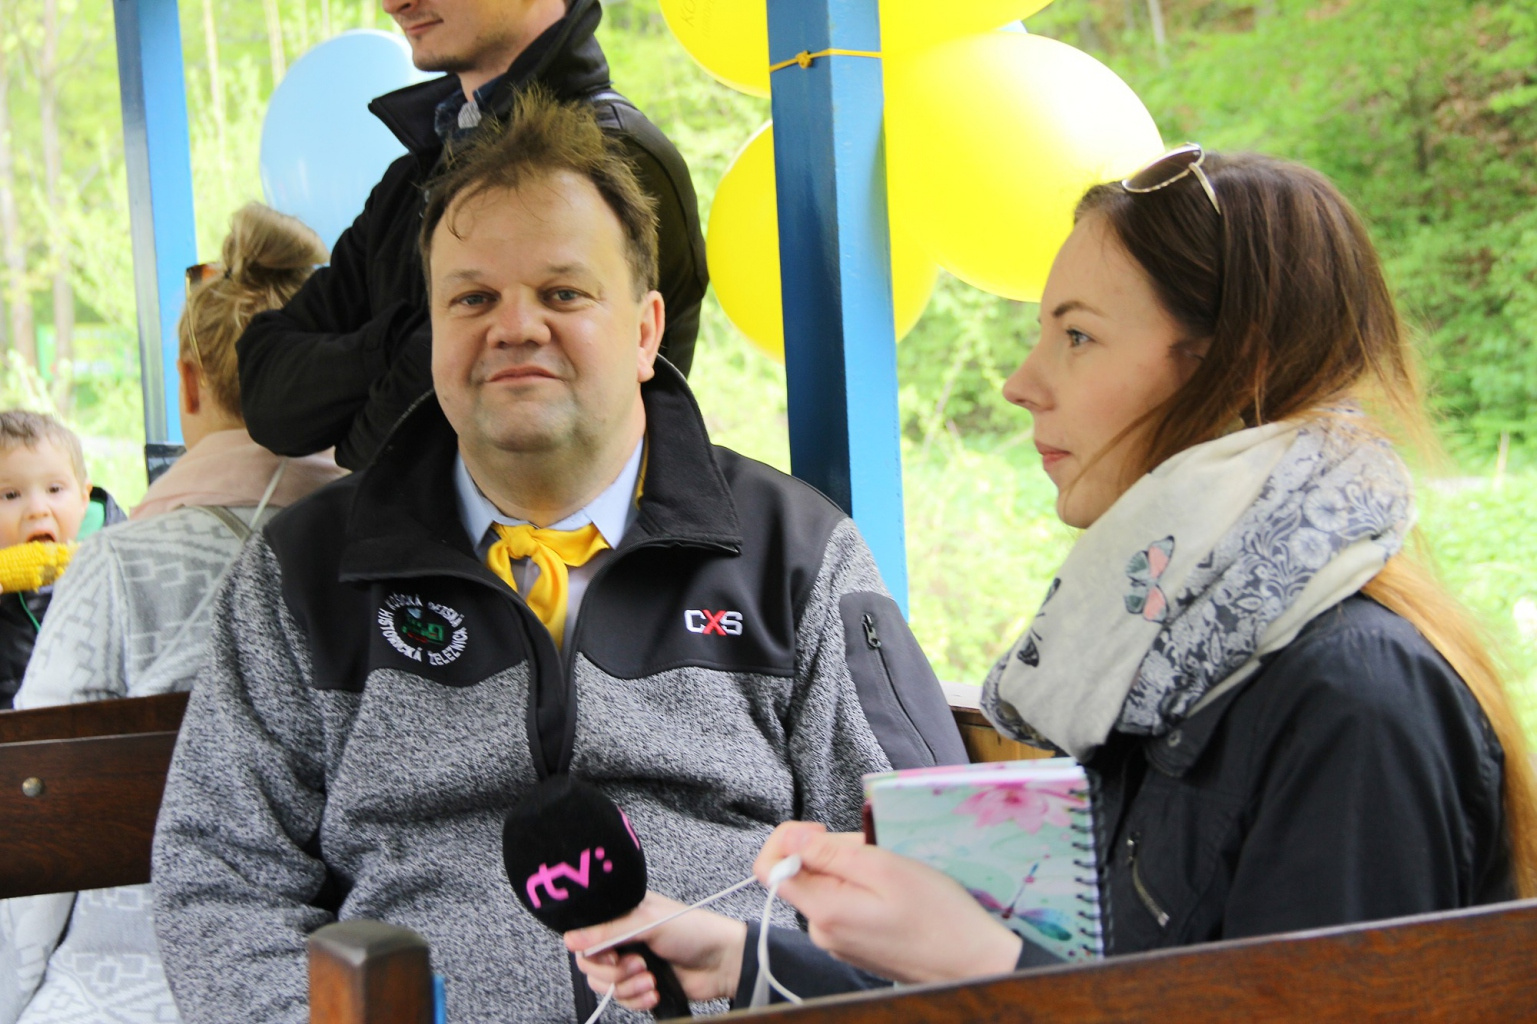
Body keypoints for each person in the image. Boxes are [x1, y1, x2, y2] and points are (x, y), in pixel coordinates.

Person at [566, 147, 1537, 1008]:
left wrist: (977, 959)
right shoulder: (1173, 661)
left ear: (1233, 367)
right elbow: (1135, 980)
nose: (1020, 383)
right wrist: (745, 959)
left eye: (1076, 335)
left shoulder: (1353, 697)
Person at [151, 89, 964, 1024]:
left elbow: (920, 862)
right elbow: (218, 880)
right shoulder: (303, 573)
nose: (515, 327)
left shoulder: (795, 553)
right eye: (473, 299)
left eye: (563, 293)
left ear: (646, 331)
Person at [0, 204, 346, 1024]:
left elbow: (34, 830)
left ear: (189, 383)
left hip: (128, 989)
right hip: (357, 980)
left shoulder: (116, 571)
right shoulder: (398, 557)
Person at [237, 0, 707, 471]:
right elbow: (266, 396)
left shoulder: (616, 162)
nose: (394, 4)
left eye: (561, 293)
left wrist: (366, 390)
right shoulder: (410, 179)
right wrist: (396, 343)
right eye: (470, 299)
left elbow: (385, 462)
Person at [0, 410, 123, 709]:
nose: (37, 509)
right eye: (11, 495)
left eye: (54, 489)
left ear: (83, 498)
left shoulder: (119, 563)